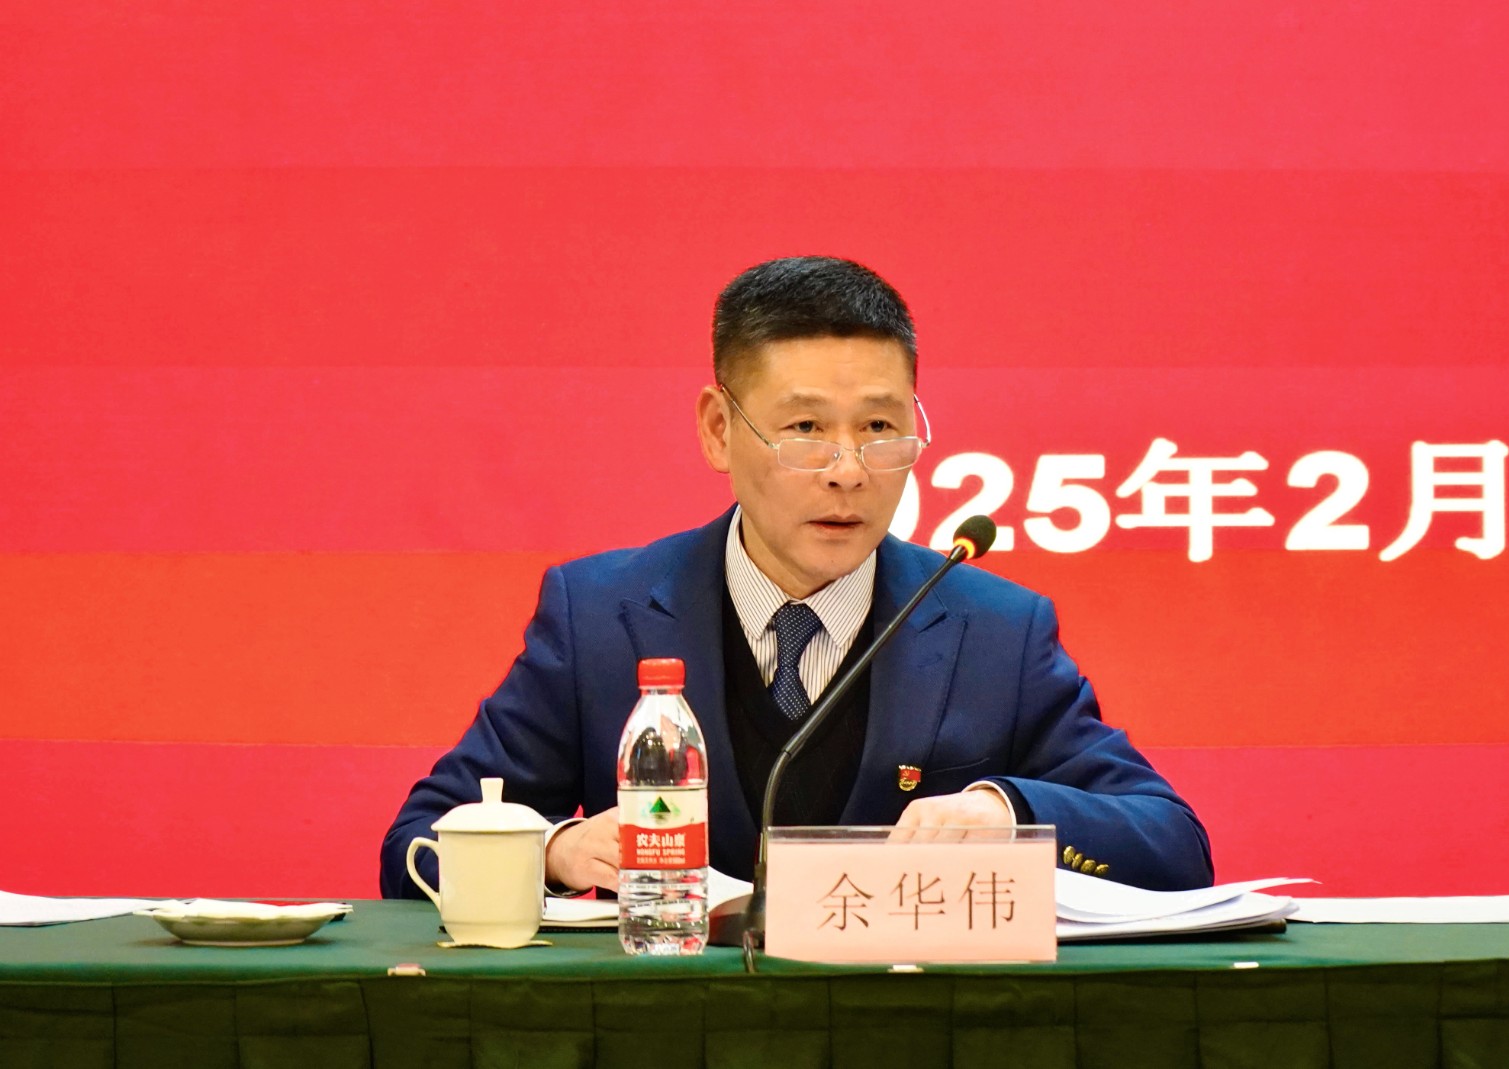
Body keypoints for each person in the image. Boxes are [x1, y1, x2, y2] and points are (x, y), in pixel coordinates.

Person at [380, 256, 1212, 897]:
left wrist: (1009, 811)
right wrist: (555, 850)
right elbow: (417, 842)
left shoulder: (995, 629)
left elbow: (1174, 845)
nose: (849, 470)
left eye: (880, 426)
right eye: (807, 427)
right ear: (718, 429)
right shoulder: (600, 614)